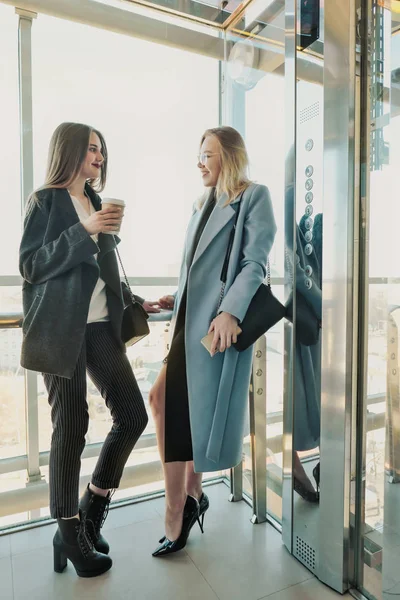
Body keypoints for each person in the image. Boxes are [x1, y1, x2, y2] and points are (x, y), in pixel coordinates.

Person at [19, 122, 155, 578]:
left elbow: (106, 268)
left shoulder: (96, 202)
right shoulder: (45, 201)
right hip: (60, 330)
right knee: (71, 428)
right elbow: (31, 264)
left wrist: (136, 301)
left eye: (102, 149)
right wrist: (85, 229)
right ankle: (69, 533)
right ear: (71, 151)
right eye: (91, 148)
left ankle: (91, 510)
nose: (99, 156)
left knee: (132, 414)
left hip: (100, 327)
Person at [149, 126, 277, 557]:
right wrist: (175, 296)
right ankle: (190, 495)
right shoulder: (200, 204)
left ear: (230, 157)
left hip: (215, 326)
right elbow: (195, 272)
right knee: (168, 404)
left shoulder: (252, 197)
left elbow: (254, 262)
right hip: (189, 321)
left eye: (207, 154)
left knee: (175, 407)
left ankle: (177, 508)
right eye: (199, 154)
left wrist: (230, 311)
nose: (199, 161)